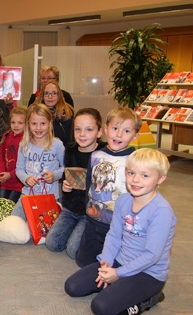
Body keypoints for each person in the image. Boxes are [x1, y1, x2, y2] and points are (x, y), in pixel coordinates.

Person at [65, 148, 175, 315]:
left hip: (148, 273)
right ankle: (119, 286)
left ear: (161, 178)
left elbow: (151, 255)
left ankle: (151, 298)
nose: (136, 180)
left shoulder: (161, 211)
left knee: (101, 307)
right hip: (119, 261)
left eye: (145, 175)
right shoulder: (124, 200)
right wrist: (106, 262)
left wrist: (118, 274)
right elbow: (114, 235)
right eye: (131, 173)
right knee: (72, 286)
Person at [76, 107, 142, 268]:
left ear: (135, 136)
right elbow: (89, 185)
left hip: (118, 226)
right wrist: (88, 209)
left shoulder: (135, 160)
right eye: (114, 128)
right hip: (93, 219)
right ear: (106, 129)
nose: (118, 135)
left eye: (126, 131)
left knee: (115, 265)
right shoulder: (96, 155)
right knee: (83, 261)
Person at [45, 108, 106, 259]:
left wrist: (91, 188)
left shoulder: (103, 155)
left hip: (90, 212)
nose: (82, 134)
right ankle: (78, 230)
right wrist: (65, 186)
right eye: (78, 129)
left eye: (89, 129)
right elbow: (67, 176)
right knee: (52, 243)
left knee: (73, 251)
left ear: (99, 132)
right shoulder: (71, 151)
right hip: (71, 208)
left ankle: (101, 239)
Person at [10, 103, 65, 225]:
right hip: (27, 195)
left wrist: (54, 175)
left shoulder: (57, 145)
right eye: (34, 124)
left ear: (50, 124)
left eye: (43, 123)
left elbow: (65, 169)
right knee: (13, 223)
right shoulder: (24, 145)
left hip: (49, 196)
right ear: (28, 125)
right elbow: (19, 169)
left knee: (41, 228)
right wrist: (26, 178)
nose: (38, 128)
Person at [0, 107, 26, 203]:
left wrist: (10, 174)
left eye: (20, 123)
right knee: (2, 205)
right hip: (5, 182)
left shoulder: (26, 140)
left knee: (10, 207)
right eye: (13, 122)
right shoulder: (7, 136)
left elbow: (25, 163)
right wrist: (1, 173)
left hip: (18, 183)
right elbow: (1, 156)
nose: (16, 125)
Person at [34, 82, 75, 147]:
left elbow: (70, 143)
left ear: (59, 96)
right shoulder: (34, 114)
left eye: (54, 93)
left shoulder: (67, 115)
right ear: (42, 96)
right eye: (46, 93)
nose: (50, 97)